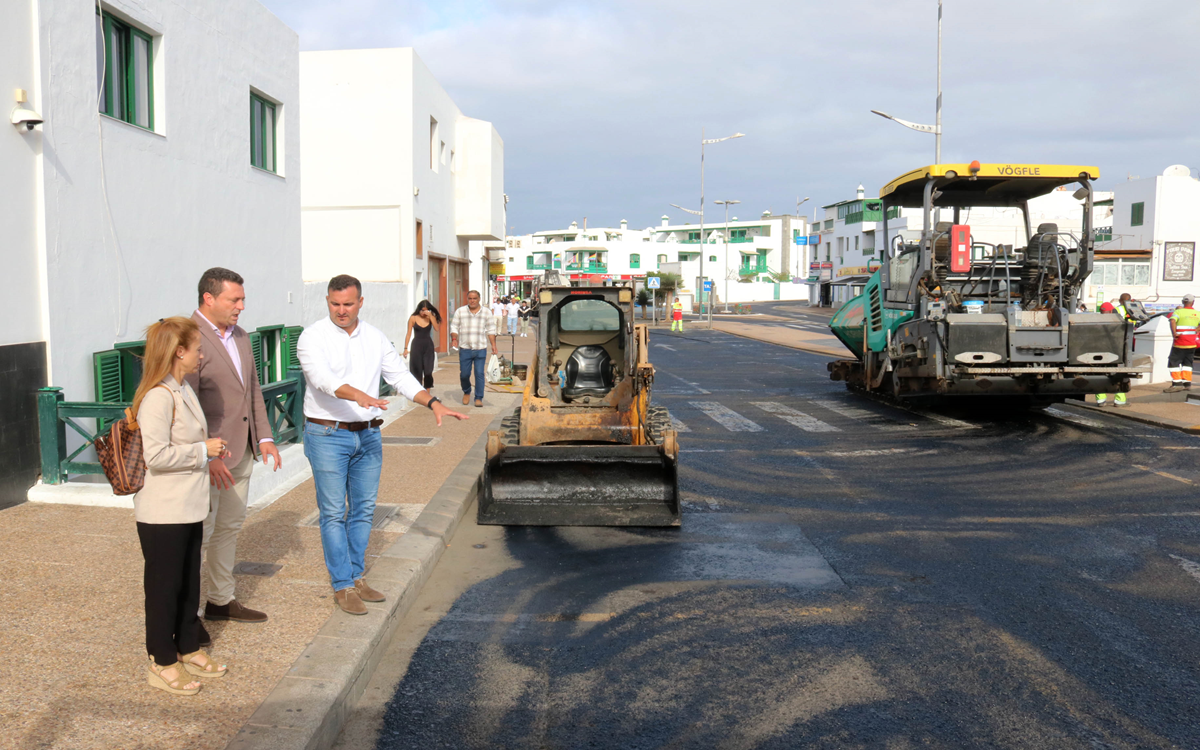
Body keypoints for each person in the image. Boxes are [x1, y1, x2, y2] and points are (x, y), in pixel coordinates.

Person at [297, 275, 468, 615]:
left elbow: (401, 377)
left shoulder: (374, 337)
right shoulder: (312, 337)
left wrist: (432, 402)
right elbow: (322, 379)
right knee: (332, 513)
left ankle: (356, 575)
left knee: (363, 510)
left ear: (361, 302)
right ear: (327, 301)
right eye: (335, 304)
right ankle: (342, 585)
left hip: (369, 434)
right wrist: (359, 394)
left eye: (348, 304)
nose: (341, 310)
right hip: (327, 434)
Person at [133, 316, 230, 695]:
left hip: (189, 506)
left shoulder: (183, 388)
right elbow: (156, 456)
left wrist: (207, 449)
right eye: (197, 348)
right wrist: (202, 451)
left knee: (189, 582)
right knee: (163, 587)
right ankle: (161, 659)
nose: (201, 355)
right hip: (163, 511)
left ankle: (188, 646)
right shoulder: (158, 396)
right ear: (179, 352)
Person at [186, 268, 279, 635]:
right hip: (208, 459)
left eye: (242, 299)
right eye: (234, 300)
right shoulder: (188, 337)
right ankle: (188, 616)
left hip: (241, 453)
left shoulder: (240, 336)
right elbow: (187, 404)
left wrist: (266, 437)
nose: (241, 306)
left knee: (229, 528)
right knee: (202, 534)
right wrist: (205, 456)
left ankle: (220, 601)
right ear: (209, 299)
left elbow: (252, 390)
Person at [450, 290, 499, 408]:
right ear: (467, 299)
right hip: (465, 348)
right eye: (470, 298)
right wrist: (454, 338)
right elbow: (454, 326)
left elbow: (491, 329)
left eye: (475, 298)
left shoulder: (486, 312)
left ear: (479, 299)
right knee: (464, 374)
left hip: (480, 348)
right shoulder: (460, 311)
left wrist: (493, 344)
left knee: (479, 373)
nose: (472, 301)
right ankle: (467, 391)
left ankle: (478, 397)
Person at [1096, 293, 1136, 406]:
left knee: (1099, 376)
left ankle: (1101, 401)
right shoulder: (1118, 320)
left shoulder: (1097, 320)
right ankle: (1119, 401)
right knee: (1119, 376)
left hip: (1099, 354)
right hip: (1116, 353)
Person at [1165, 293, 1199, 393]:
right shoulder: (1198, 313)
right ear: (1193, 302)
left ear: (1183, 302)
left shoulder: (1178, 312)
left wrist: (1174, 333)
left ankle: (1177, 384)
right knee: (1187, 363)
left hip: (1180, 342)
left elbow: (1172, 321)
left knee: (1173, 362)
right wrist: (1197, 329)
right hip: (1192, 343)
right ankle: (1186, 384)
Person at [402, 300, 441, 389]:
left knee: (428, 370)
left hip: (428, 345)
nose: (424, 312)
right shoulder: (413, 318)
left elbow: (436, 328)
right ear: (419, 309)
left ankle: (427, 390)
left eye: (426, 310)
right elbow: (408, 333)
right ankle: (417, 390)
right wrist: (405, 348)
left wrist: (431, 316)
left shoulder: (431, 317)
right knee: (416, 369)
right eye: (422, 310)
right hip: (416, 345)